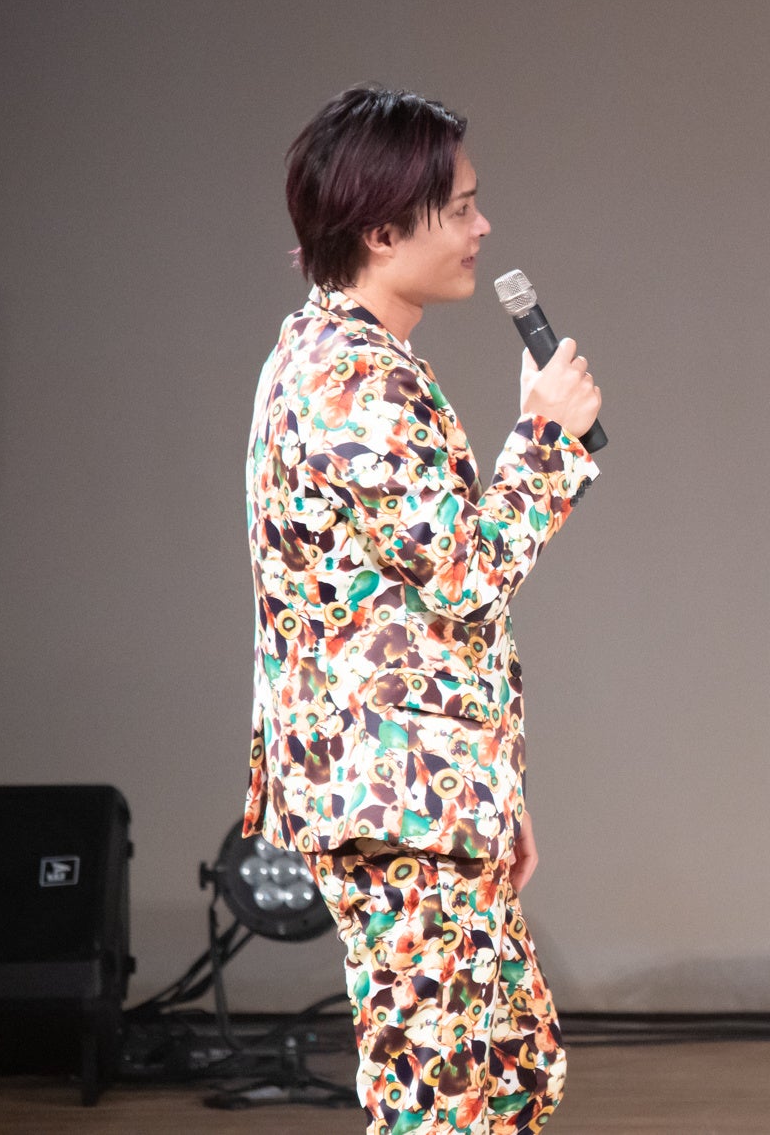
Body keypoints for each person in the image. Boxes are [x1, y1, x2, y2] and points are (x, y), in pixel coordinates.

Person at [243, 85, 603, 1134]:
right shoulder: (350, 376)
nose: (482, 228)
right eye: (461, 209)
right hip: (393, 800)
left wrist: (489, 790)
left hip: (429, 792)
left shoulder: (356, 357)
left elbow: (418, 609)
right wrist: (547, 438)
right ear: (381, 229)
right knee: (441, 1093)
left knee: (513, 1070)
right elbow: (465, 577)